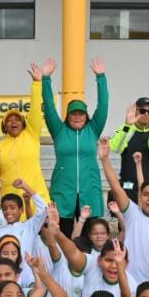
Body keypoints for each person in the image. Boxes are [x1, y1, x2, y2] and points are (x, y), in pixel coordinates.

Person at [41, 56, 109, 233]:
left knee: (89, 234)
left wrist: (100, 77)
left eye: (81, 113)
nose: (77, 116)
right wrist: (46, 79)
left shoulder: (93, 129)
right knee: (61, 233)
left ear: (86, 116)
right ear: (67, 116)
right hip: (63, 190)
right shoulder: (59, 130)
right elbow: (48, 107)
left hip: (89, 188)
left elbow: (103, 106)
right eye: (73, 114)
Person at [99, 137, 149, 288]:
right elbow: (116, 188)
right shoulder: (133, 214)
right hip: (129, 285)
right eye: (145, 194)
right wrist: (105, 159)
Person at [0, 63, 51, 203]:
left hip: (36, 197)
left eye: (17, 120)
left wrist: (37, 83)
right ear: (4, 126)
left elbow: (36, 109)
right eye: (9, 120)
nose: (13, 122)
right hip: (11, 203)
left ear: (23, 124)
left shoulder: (31, 135)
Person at [109, 97, 149, 197]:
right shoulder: (124, 129)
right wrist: (127, 125)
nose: (146, 114)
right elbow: (115, 148)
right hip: (129, 187)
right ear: (135, 111)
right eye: (142, 111)